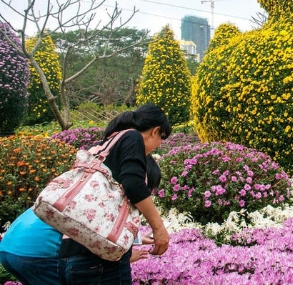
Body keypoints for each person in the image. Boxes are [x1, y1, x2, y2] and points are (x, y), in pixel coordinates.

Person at [0, 156, 162, 285]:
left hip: (10, 247)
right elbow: (90, 239)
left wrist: (137, 239)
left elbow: (95, 230)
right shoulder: (107, 199)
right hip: (36, 255)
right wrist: (124, 259)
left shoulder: (95, 187)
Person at [59, 104, 171, 285]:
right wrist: (159, 228)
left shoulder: (100, 147)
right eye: (162, 138)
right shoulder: (133, 137)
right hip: (99, 261)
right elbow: (133, 184)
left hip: (70, 257)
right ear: (155, 131)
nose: (159, 144)